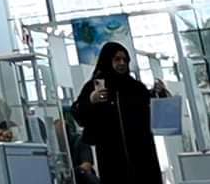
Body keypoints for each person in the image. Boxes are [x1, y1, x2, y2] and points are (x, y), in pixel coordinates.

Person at [70, 42, 169, 184]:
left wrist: (158, 95)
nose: (122, 63)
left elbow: (153, 113)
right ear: (107, 60)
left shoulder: (136, 88)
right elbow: (78, 114)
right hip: (112, 157)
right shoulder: (95, 87)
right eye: (117, 59)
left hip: (142, 156)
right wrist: (91, 100)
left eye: (125, 60)